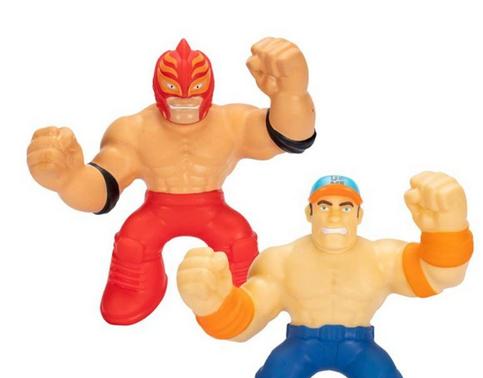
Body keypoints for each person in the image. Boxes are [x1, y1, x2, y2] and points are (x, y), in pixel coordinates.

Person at [177, 172, 473, 378]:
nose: (334, 216)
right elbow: (250, 316)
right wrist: (215, 303)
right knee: (281, 372)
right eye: (324, 206)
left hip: (358, 342)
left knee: (378, 375)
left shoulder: (381, 258)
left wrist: (447, 231)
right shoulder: (281, 260)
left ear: (359, 215)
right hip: (302, 341)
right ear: (309, 212)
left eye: (345, 207)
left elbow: (438, 276)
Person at [27, 38, 316, 325]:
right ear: (159, 89)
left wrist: (291, 95)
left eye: (195, 93)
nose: (185, 103)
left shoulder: (231, 122)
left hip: (212, 210)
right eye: (175, 94)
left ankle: (242, 296)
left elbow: (289, 137)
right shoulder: (134, 130)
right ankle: (133, 288)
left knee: (238, 241)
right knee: (133, 242)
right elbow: (103, 189)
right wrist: (69, 179)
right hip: (157, 210)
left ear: (208, 89)